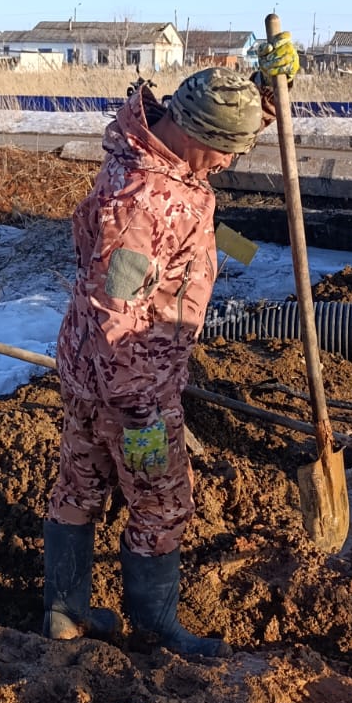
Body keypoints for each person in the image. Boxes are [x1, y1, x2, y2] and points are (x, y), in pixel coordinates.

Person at [44, 33, 300, 657]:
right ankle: (157, 630)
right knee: (161, 501)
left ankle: (63, 615)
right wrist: (139, 409)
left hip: (87, 375)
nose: (230, 163)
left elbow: (219, 122)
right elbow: (116, 309)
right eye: (228, 150)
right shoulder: (140, 203)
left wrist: (268, 95)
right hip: (132, 385)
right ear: (196, 135)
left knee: (79, 484)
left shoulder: (162, 143)